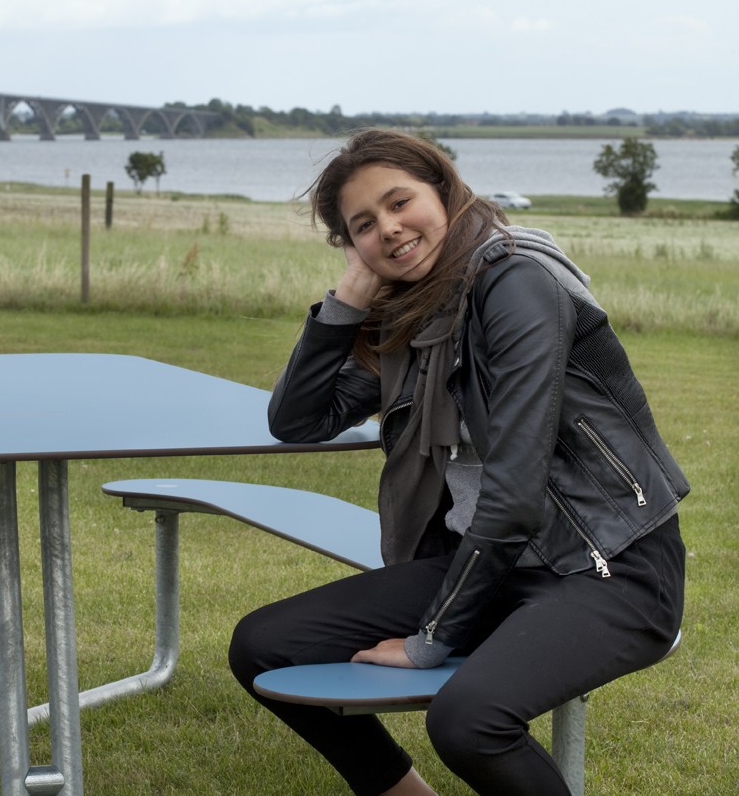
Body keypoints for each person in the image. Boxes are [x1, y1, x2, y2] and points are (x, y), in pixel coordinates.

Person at [228, 128, 687, 796]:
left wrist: (429, 639)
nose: (387, 228)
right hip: (492, 566)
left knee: (469, 721)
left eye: (398, 202)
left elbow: (516, 487)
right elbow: (299, 418)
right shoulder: (418, 309)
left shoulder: (518, 284)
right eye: (362, 224)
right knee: (263, 644)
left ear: (442, 189)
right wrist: (351, 293)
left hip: (606, 568)